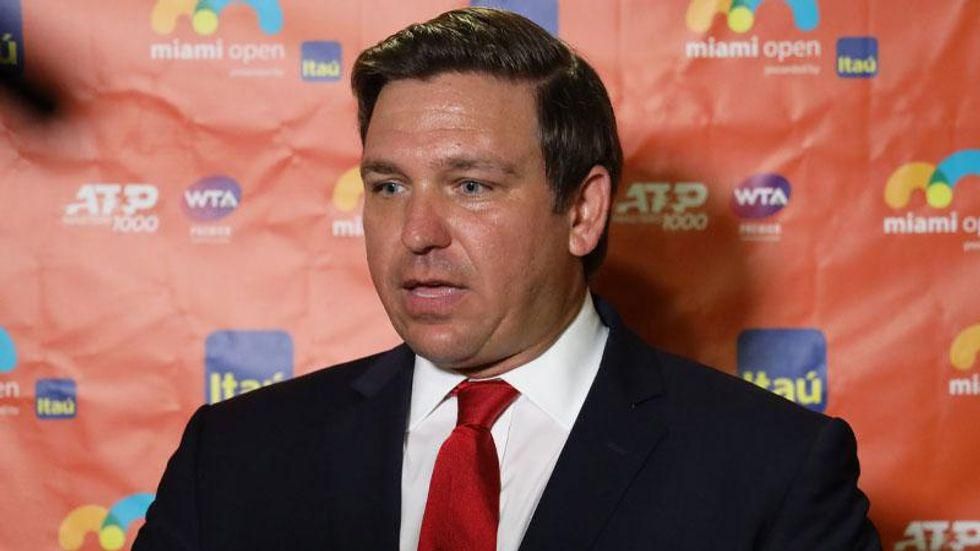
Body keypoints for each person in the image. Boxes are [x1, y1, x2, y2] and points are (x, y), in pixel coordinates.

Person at [134, 7, 880, 550]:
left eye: (471, 186)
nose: (417, 233)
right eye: (389, 186)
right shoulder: (233, 456)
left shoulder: (772, 471)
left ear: (582, 211)